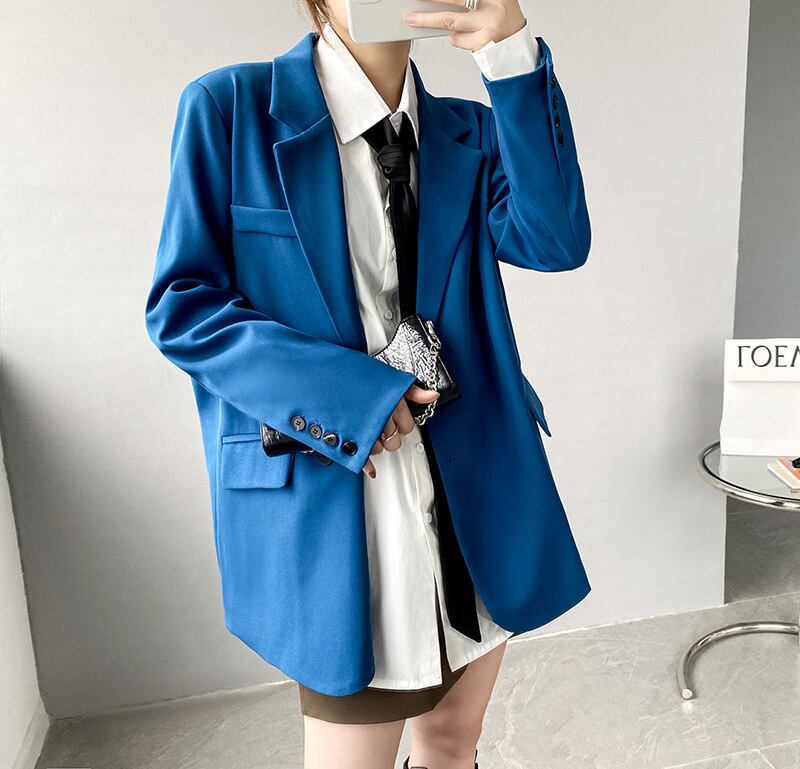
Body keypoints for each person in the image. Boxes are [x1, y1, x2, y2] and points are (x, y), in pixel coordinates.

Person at [144, 0, 592, 767]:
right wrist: (353, 397)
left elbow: (554, 240)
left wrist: (510, 54)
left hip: (474, 493)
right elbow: (184, 306)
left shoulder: (470, 131)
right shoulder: (231, 108)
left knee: (452, 743)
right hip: (338, 498)